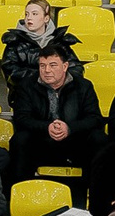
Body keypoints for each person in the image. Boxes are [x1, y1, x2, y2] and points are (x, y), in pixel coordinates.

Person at [13, 47, 105, 175]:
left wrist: (69, 128)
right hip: (41, 140)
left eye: (53, 65)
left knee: (98, 138)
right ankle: (21, 186)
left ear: (65, 66)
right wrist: (47, 127)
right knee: (20, 139)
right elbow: (21, 119)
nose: (47, 70)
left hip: (75, 140)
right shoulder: (26, 86)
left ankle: (94, 187)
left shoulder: (83, 86)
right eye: (42, 66)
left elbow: (95, 119)